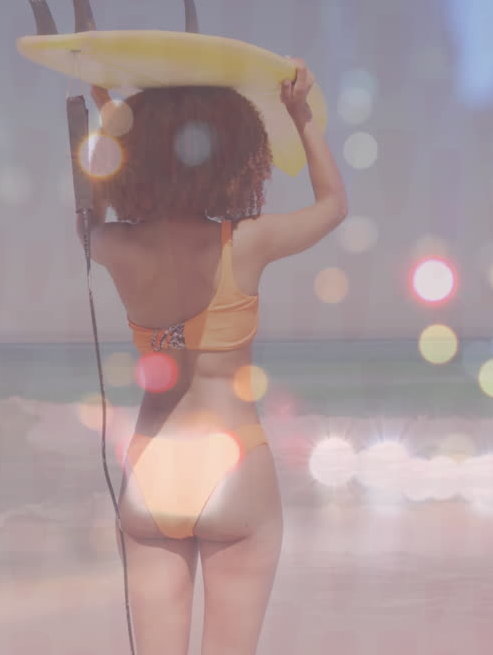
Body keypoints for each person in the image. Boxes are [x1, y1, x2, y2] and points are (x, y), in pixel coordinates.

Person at [76, 59, 347, 654]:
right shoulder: (245, 242)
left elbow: (89, 213)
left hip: (152, 463)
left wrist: (111, 123)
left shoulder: (114, 245)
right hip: (234, 463)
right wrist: (300, 116)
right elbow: (333, 206)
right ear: (231, 156)